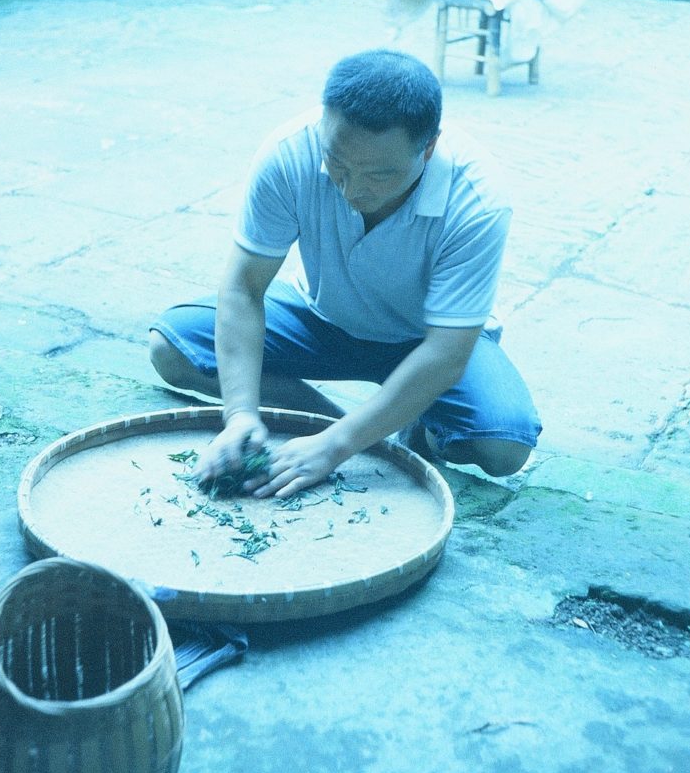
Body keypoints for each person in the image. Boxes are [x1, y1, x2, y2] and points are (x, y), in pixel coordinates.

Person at [149, 49, 541, 499]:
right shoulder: (288, 152)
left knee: (503, 445)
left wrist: (335, 451)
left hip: (425, 339)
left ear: (428, 148)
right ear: (323, 125)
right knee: (171, 348)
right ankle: (344, 428)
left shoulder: (477, 199)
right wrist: (240, 414)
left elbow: (448, 352)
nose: (352, 189)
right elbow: (244, 286)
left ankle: (411, 430)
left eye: (379, 175)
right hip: (320, 318)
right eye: (337, 163)